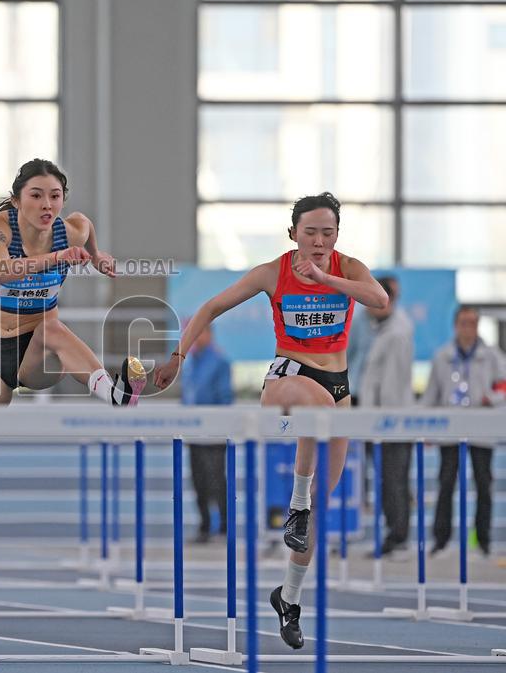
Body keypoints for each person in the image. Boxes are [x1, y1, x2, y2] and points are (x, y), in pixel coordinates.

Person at [154, 192, 387, 650]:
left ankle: (289, 597)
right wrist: (179, 355)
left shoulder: (348, 268)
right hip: (288, 377)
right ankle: (296, 503)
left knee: (321, 507)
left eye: (328, 233)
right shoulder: (271, 273)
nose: (319, 241)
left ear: (336, 236)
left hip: (338, 388)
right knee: (312, 419)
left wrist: (325, 278)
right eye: (310, 233)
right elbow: (210, 308)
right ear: (293, 234)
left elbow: (378, 299)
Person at [0, 158, 146, 516]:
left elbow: (87, 226)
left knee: (51, 327)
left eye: (55, 196)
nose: (47, 205)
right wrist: (58, 257)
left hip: (40, 351)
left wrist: (95, 257)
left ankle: (114, 393)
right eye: (36, 195)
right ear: (17, 201)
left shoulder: (70, 229)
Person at [422, 306, 504, 558]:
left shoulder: (492, 355)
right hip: (450, 427)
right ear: (456, 325)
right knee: (446, 483)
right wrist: (424, 426)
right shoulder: (443, 356)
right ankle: (441, 539)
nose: (468, 328)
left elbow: (502, 385)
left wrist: (490, 397)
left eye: (472, 322)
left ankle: (483, 540)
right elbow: (431, 394)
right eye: (463, 322)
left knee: (483, 484)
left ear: (478, 326)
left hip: (480, 427)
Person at [358, 276, 414, 556]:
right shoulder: (383, 329)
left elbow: (392, 385)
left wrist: (382, 423)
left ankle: (398, 538)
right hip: (380, 421)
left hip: (390, 423)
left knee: (394, 481)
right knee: (388, 481)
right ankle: (395, 535)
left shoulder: (397, 333)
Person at [180, 322, 232, 543]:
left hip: (214, 432)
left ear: (209, 334)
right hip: (194, 432)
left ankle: (223, 527)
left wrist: (217, 425)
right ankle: (204, 526)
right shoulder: (190, 362)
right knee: (198, 480)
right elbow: (187, 397)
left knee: (216, 480)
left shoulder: (220, 361)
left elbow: (224, 398)